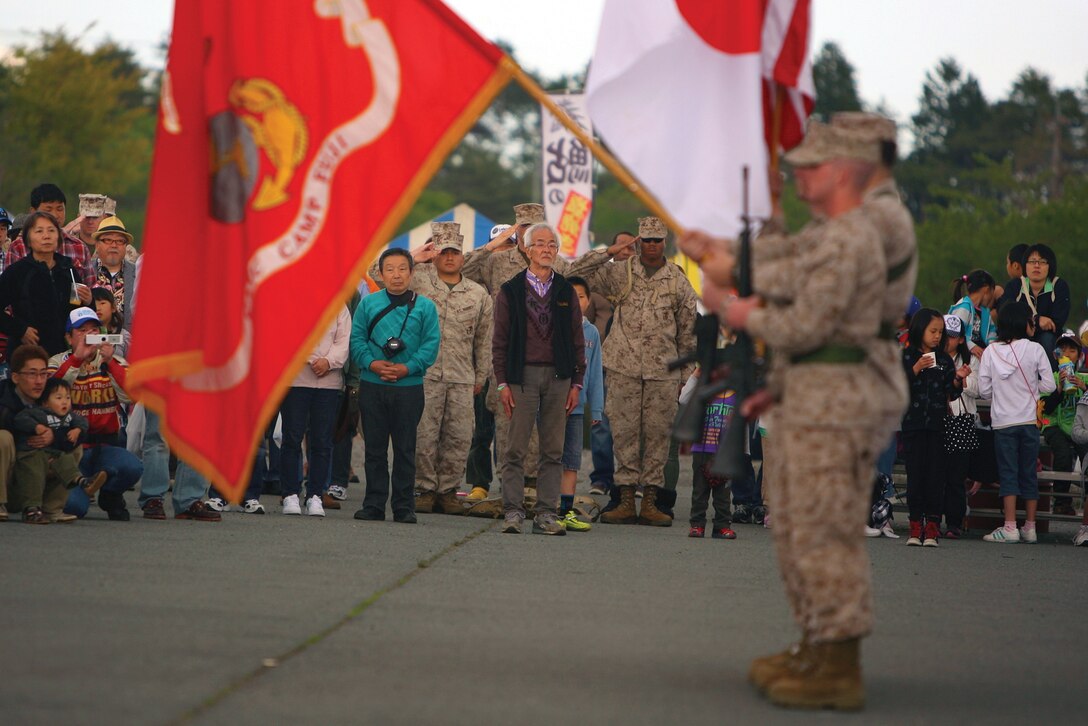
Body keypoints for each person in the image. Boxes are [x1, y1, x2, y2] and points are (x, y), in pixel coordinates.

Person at [680, 120, 889, 709]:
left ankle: (839, 659)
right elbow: (780, 268)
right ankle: (816, 642)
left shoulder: (852, 236)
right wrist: (720, 258)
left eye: (813, 166)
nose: (799, 175)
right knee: (799, 530)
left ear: (845, 172)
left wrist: (738, 310)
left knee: (825, 532)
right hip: (811, 392)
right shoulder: (830, 232)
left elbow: (805, 321)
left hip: (836, 398)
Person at [578, 216, 697, 526]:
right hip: (624, 368)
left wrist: (686, 377)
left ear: (665, 242)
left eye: (657, 239)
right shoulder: (621, 274)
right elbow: (574, 273)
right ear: (638, 242)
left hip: (663, 371)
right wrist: (609, 251)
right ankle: (626, 498)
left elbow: (687, 332)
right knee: (624, 434)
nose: (652, 245)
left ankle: (653, 502)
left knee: (658, 436)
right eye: (646, 240)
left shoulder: (677, 280)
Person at [369, 222, 492, 516]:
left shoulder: (477, 293)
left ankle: (448, 491)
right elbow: (377, 272)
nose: (449, 257)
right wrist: (414, 257)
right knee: (423, 434)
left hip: (462, 376)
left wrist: (482, 375)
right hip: (424, 373)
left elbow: (484, 338)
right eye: (443, 252)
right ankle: (423, 489)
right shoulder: (419, 279)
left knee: (460, 436)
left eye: (455, 252)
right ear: (434, 254)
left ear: (464, 257)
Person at [492, 223, 585, 535]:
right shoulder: (511, 290)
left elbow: (576, 340)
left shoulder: (565, 291)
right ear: (526, 250)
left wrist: (577, 383)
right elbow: (500, 341)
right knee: (515, 448)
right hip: (522, 377)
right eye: (540, 244)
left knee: (553, 450)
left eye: (552, 245)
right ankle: (513, 512)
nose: (547, 250)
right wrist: (503, 382)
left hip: (559, 378)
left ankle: (546, 513)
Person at [350, 248, 440, 524]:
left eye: (403, 269)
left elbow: (431, 344)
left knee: (405, 448)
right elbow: (356, 340)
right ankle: (374, 504)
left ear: (412, 273)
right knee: (375, 449)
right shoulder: (368, 304)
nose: (397, 275)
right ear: (381, 273)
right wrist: (372, 363)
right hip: (373, 384)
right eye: (390, 269)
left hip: (409, 387)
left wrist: (407, 368)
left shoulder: (426, 307)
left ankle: (404, 507)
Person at [49, 307, 144, 521]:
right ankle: (77, 489)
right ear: (68, 337)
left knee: (133, 466)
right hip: (71, 450)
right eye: (82, 331)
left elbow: (134, 395)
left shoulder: (113, 361)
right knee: (75, 508)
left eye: (94, 330)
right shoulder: (57, 362)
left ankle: (110, 495)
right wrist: (76, 359)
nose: (89, 335)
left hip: (105, 446)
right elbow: (48, 398)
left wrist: (110, 363)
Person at [978, 302, 1056, 543]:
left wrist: (1002, 394)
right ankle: (1030, 527)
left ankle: (1009, 526)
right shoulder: (1035, 350)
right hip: (1029, 422)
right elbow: (1050, 386)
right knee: (1028, 473)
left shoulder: (991, 352)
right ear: (1024, 324)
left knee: (1008, 473)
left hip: (1003, 423)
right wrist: (1033, 388)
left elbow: (984, 391)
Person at [278, 304, 352, 517]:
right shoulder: (295, 301)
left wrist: (328, 361)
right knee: (292, 437)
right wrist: (312, 359)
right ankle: (290, 493)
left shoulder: (339, 306)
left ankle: (315, 495)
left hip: (328, 383)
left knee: (322, 441)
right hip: (296, 379)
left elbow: (343, 340)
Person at [900, 309, 966, 547]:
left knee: (936, 476)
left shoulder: (945, 359)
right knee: (915, 475)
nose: (937, 336)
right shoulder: (907, 356)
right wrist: (916, 368)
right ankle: (915, 524)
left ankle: (932, 526)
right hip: (913, 425)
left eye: (941, 332)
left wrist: (958, 379)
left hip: (939, 426)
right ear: (920, 330)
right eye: (933, 331)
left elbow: (952, 392)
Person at [1, 345, 87, 523]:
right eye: (32, 374)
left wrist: (54, 439)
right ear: (15, 377)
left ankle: (51, 508)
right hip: (10, 477)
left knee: (74, 442)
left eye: (43, 374)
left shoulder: (52, 397)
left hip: (36, 477)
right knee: (3, 437)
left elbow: (76, 423)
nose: (39, 381)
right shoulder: (4, 397)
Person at [0, 211, 91, 358]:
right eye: (39, 231)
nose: (46, 236)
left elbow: (77, 310)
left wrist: (88, 301)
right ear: (28, 239)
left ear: (59, 237)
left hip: (64, 354)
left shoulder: (67, 269)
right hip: (27, 354)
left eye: (51, 230)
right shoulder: (18, 272)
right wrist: (20, 330)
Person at [12, 378, 107, 518]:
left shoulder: (69, 417)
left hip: (52, 453)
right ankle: (31, 508)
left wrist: (78, 430)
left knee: (65, 459)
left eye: (68, 397)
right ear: (45, 402)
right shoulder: (39, 413)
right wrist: (36, 427)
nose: (65, 401)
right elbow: (20, 419)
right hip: (31, 454)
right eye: (59, 397)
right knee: (34, 476)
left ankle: (84, 483)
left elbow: (83, 422)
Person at [557, 276, 602, 532]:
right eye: (570, 296)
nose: (576, 301)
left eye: (581, 296)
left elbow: (594, 374)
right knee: (550, 457)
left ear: (588, 301)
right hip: (551, 406)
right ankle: (546, 508)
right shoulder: (551, 326)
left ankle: (566, 511)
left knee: (572, 461)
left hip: (575, 410)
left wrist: (596, 409)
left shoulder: (592, 333)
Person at [997, 243, 1070, 368]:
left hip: (1049, 340)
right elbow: (1005, 314)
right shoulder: (1015, 286)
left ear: (1050, 266)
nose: (1036, 266)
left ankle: (1051, 382)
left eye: (1042, 262)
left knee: (1047, 339)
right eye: (1032, 261)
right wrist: (1037, 320)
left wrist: (1027, 323)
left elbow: (1056, 323)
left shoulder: (1059, 286)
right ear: (1025, 265)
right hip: (1018, 337)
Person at [3, 183, 95, 281]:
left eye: (60, 209)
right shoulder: (18, 247)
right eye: (48, 209)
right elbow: (10, 287)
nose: (55, 215)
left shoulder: (78, 247)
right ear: (33, 212)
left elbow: (90, 285)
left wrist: (88, 294)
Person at [1040, 331, 1088, 516]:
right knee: (1063, 455)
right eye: (1063, 349)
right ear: (1055, 354)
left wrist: (1084, 389)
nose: (1067, 353)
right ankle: (1061, 500)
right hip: (1053, 425)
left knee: (1086, 456)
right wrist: (1059, 389)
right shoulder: (1050, 378)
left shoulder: (1083, 378)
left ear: (1079, 356)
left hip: (1077, 426)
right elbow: (1046, 409)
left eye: (1072, 350)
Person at [938, 315, 977, 539]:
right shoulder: (931, 357)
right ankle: (933, 519)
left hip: (962, 419)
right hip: (938, 419)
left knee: (956, 477)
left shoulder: (972, 360)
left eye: (952, 336)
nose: (947, 340)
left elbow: (980, 390)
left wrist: (963, 380)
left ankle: (954, 523)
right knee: (936, 474)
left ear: (961, 339)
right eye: (944, 335)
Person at [89, 215, 138, 331]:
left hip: (129, 343)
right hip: (91, 342)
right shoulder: (85, 271)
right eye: (108, 240)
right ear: (97, 244)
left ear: (126, 246)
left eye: (120, 241)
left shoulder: (138, 274)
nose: (114, 245)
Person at [948, 269, 997, 358]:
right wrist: (971, 346)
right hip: (964, 356)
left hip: (982, 355)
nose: (991, 299)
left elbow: (992, 330)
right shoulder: (964, 307)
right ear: (986, 289)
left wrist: (992, 345)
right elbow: (956, 332)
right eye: (992, 294)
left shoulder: (985, 312)